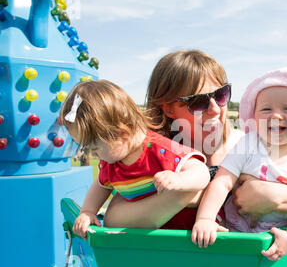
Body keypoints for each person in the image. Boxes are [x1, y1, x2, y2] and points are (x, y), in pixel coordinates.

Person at [102, 49, 287, 232]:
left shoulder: (253, 144)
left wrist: (279, 197)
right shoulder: (153, 155)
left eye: (221, 95)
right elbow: (115, 217)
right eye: (197, 101)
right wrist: (188, 193)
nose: (215, 109)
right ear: (168, 109)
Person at [191, 68, 287, 260]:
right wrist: (205, 218)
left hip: (278, 239)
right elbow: (222, 182)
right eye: (266, 109)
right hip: (234, 234)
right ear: (254, 117)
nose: (276, 116)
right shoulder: (248, 144)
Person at [58, 80, 212, 238]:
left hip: (181, 235)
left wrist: (179, 179)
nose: (93, 155)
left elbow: (201, 172)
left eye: (94, 148)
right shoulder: (112, 163)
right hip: (146, 239)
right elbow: (101, 186)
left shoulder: (159, 150)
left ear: (121, 133)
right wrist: (88, 211)